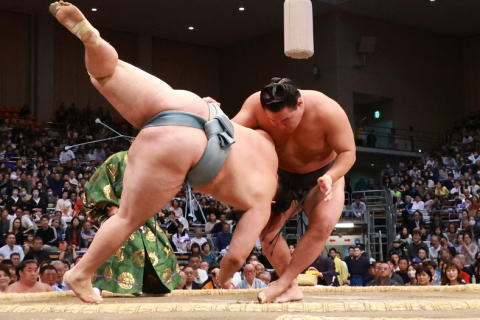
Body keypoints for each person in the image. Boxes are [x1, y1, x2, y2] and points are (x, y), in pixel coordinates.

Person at [51, 1, 279, 303]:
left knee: (105, 75)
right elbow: (235, 258)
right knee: (127, 218)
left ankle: (92, 40)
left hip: (195, 106)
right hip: (185, 145)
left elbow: (232, 128)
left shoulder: (262, 138)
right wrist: (224, 278)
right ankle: (80, 273)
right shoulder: (264, 197)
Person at [83, 151, 183, 294]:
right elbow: (97, 183)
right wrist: (109, 205)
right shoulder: (118, 158)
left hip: (142, 213)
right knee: (116, 244)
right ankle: (97, 284)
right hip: (118, 211)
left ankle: (152, 286)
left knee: (158, 246)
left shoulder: (154, 161)